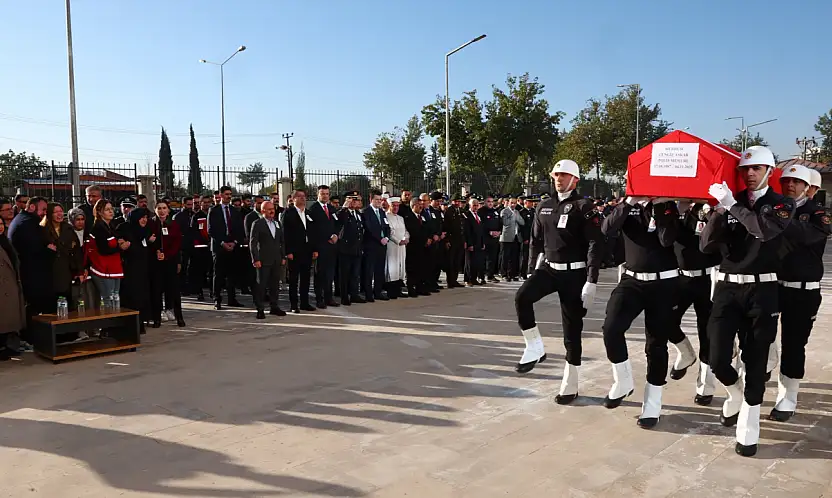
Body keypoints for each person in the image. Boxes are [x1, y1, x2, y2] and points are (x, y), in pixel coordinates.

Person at [700, 145, 795, 457]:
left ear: (769, 171)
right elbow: (706, 246)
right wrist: (717, 209)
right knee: (716, 359)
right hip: (727, 289)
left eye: (756, 169)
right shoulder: (731, 201)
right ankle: (735, 394)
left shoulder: (782, 204)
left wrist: (731, 205)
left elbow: (763, 231)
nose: (750, 174)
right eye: (745, 170)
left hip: (762, 292)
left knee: (755, 362)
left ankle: (749, 425)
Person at [515, 160, 603, 405]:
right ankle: (534, 347)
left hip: (574, 274)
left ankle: (570, 383)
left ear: (575, 179)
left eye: (564, 175)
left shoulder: (584, 206)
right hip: (549, 269)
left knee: (571, 331)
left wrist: (592, 280)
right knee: (523, 297)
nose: (559, 179)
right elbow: (535, 240)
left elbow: (596, 244)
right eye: (556, 174)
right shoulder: (544, 205)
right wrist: (532, 269)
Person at [600, 189, 679, 428]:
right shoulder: (628, 206)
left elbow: (666, 239)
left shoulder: (668, 206)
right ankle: (622, 381)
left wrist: (660, 206)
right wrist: (627, 203)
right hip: (632, 280)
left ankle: (653, 402)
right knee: (611, 328)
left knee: (656, 344)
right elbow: (607, 230)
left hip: (663, 282)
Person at [768, 165, 829, 423]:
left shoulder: (818, 213)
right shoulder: (774, 209)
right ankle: (766, 366)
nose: (790, 185)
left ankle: (788, 395)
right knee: (759, 335)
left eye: (796, 181)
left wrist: (777, 217)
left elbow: (807, 236)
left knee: (794, 345)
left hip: (802, 291)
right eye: (786, 181)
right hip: (772, 286)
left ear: (808, 187)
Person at [666, 202, 721, 406]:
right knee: (666, 320)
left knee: (706, 332)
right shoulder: (675, 209)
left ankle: (705, 386)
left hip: (708, 278)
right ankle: (686, 353)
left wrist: (710, 212)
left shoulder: (710, 209)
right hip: (681, 278)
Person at [8, 197, 55, 338]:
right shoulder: (27, 223)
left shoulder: (23, 220)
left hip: (31, 273)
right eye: (43, 209)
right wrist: (50, 250)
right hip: (33, 275)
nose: (45, 213)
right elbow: (35, 249)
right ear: (33, 208)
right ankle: (33, 338)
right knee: (35, 308)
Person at [147, 200, 185, 327]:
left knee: (174, 290)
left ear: (168, 210)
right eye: (159, 208)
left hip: (170, 260)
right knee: (156, 290)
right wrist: (157, 251)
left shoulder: (173, 224)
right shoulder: (151, 223)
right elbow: (148, 240)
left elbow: (177, 243)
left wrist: (167, 255)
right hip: (156, 262)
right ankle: (157, 318)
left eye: (164, 208)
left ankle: (179, 317)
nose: (162, 211)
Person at [41, 202, 81, 321]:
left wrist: (79, 270)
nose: (59, 214)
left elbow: (76, 250)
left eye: (61, 211)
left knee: (66, 299)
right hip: (50, 270)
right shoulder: (43, 229)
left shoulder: (68, 228)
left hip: (65, 269)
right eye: (55, 212)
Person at [208, 186, 245, 310]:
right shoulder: (214, 211)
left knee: (232, 274)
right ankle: (217, 299)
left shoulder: (235, 211)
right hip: (219, 247)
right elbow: (211, 230)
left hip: (233, 246)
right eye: (226, 194)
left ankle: (232, 299)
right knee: (218, 274)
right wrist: (223, 242)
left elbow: (240, 229)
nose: (229, 196)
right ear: (221, 195)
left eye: (230, 194)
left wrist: (234, 242)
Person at [281, 189, 317, 313]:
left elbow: (312, 232)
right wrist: (288, 251)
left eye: (304, 196)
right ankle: (294, 304)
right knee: (293, 279)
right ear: (293, 198)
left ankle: (305, 302)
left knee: (306, 278)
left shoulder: (308, 213)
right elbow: (285, 234)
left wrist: (314, 249)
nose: (303, 199)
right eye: (299, 196)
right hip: (294, 252)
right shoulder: (288, 213)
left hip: (307, 251)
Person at [249, 201, 286, 319]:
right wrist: (255, 259)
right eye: (269, 209)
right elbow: (253, 243)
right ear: (263, 211)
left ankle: (274, 306)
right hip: (263, 260)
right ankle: (260, 308)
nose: (272, 211)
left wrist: (283, 256)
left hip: (276, 259)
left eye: (273, 209)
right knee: (261, 285)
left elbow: (282, 241)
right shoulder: (258, 223)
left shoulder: (277, 223)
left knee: (274, 285)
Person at [118, 208, 153, 333]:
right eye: (142, 217)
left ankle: (141, 322)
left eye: (146, 217)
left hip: (143, 270)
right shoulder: (125, 229)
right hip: (130, 270)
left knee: (142, 296)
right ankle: (132, 324)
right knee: (132, 297)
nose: (144, 220)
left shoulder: (145, 231)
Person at [87, 199, 127, 307]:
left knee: (115, 297)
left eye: (111, 209)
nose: (111, 212)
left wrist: (119, 242)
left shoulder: (111, 226)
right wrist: (120, 247)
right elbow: (103, 250)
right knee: (108, 299)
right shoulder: (98, 228)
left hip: (114, 268)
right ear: (99, 212)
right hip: (103, 269)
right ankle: (109, 323)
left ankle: (116, 321)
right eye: (107, 210)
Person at [307, 185, 340, 308]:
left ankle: (329, 298)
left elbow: (336, 224)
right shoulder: (313, 209)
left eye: (327, 194)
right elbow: (312, 230)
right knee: (320, 275)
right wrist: (325, 239)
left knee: (330, 274)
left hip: (332, 247)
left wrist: (336, 235)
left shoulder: (331, 208)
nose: (325, 196)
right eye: (322, 194)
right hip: (320, 247)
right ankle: (319, 299)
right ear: (318, 195)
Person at [0, 217, 26, 360]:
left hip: (10, 284)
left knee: (11, 318)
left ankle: (10, 346)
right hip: (3, 286)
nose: (0, 227)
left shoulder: (6, 241)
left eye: (1, 224)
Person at [335, 191, 365, 305]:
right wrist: (344, 207)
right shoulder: (344, 212)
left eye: (356, 200)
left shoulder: (357, 213)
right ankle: (344, 296)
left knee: (355, 274)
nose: (355, 202)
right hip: (346, 249)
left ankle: (354, 294)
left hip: (356, 248)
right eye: (353, 199)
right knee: (344, 275)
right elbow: (339, 221)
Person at [361, 189, 390, 302]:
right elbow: (369, 228)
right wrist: (380, 239)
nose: (379, 202)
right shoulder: (366, 212)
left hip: (382, 246)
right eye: (376, 200)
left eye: (380, 200)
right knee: (369, 271)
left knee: (379, 270)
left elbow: (387, 226)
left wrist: (386, 237)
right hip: (371, 245)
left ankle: (377, 292)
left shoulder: (382, 212)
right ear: (371, 199)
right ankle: (368, 294)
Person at [404, 197, 432, 297]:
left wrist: (429, 238)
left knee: (422, 268)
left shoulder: (422, 216)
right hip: (413, 247)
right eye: (418, 204)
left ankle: (421, 287)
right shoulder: (408, 217)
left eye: (421, 204)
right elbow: (413, 232)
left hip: (423, 248)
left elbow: (427, 229)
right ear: (413, 205)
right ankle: (411, 288)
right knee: (412, 269)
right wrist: (424, 240)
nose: (421, 206)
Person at [384, 197, 409, 299]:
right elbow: (389, 232)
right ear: (389, 206)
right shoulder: (386, 217)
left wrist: (406, 238)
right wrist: (399, 241)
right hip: (392, 246)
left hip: (402, 247)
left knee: (400, 267)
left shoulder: (400, 218)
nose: (395, 207)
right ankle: (391, 291)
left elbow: (405, 231)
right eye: (393, 205)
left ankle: (399, 289)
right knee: (392, 267)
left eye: (397, 205)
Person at [189, 195, 212, 301]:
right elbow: (193, 232)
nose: (206, 204)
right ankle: (200, 292)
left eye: (208, 202)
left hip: (211, 247)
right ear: (201, 203)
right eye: (204, 202)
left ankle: (213, 292)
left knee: (211, 271)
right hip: (200, 248)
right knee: (199, 271)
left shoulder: (213, 214)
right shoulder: (196, 216)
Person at [499, 197, 525, 282]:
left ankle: (512, 274)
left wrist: (516, 217)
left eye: (514, 203)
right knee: (505, 257)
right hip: (506, 237)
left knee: (513, 257)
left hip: (515, 237)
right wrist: (513, 217)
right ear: (508, 203)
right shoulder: (504, 211)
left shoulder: (517, 212)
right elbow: (505, 223)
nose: (513, 205)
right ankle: (504, 274)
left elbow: (522, 222)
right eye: (511, 203)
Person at [443, 194, 466, 288]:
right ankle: (450, 280)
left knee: (457, 260)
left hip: (459, 239)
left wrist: (464, 240)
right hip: (452, 239)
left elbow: (462, 226)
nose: (457, 203)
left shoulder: (460, 211)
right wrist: (447, 240)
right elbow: (446, 226)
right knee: (451, 261)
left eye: (459, 201)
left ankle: (455, 279)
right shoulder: (449, 211)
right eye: (455, 201)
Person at [478, 196, 502, 282]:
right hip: (485, 238)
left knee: (492, 258)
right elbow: (481, 225)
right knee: (483, 258)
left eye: (492, 201)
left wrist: (499, 231)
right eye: (488, 201)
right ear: (485, 202)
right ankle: (481, 276)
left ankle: (490, 275)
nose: (491, 203)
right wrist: (489, 232)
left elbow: (500, 222)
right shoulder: (481, 212)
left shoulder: (495, 211)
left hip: (494, 239)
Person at [173, 196, 195, 295]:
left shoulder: (194, 215)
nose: (190, 206)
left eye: (192, 204)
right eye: (188, 204)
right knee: (183, 267)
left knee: (192, 268)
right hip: (182, 246)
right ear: (183, 204)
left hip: (193, 245)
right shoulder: (178, 217)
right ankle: (182, 288)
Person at [518, 196, 535, 279]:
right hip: (526, 237)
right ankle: (522, 273)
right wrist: (524, 238)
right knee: (524, 256)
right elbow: (522, 227)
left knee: (531, 256)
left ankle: (530, 271)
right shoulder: (522, 212)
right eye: (530, 202)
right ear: (525, 202)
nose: (532, 203)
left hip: (532, 237)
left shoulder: (533, 211)